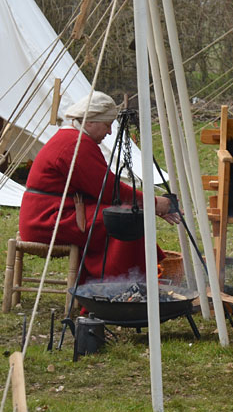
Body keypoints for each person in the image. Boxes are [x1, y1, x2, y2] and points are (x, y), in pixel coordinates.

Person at [18, 92, 175, 280]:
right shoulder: (75, 144)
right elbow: (109, 190)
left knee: (126, 215)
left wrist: (148, 205)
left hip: (53, 215)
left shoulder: (73, 139)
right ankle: (119, 283)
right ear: (90, 121)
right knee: (126, 219)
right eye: (107, 125)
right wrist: (153, 203)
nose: (109, 132)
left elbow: (103, 188)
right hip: (48, 220)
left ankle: (110, 281)